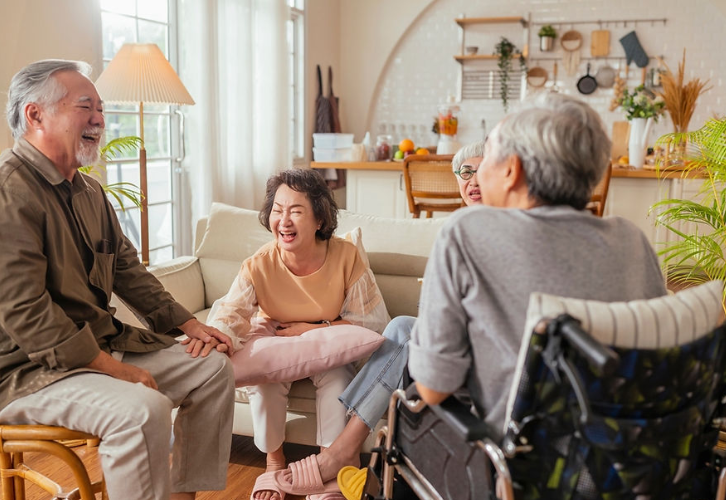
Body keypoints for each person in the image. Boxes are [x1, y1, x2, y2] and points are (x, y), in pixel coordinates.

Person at [274, 94, 667, 496]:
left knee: (411, 365)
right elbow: (656, 358)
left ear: (511, 171)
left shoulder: (466, 234)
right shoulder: (632, 241)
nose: (474, 178)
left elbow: (432, 386)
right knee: (407, 332)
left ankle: (355, 467)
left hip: (503, 461)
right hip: (619, 460)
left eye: (489, 161)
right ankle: (350, 465)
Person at [0, 59, 235, 500]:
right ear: (35, 115)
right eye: (85, 106)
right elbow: (28, 316)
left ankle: (181, 494)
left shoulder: (87, 190)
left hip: (92, 349)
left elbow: (126, 269)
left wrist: (188, 324)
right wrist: (115, 369)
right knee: (140, 411)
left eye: (100, 107)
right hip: (18, 375)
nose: (100, 118)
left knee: (211, 367)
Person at [272, 142, 487, 493]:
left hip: (483, 346)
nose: (473, 180)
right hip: (453, 338)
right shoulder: (457, 230)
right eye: (465, 172)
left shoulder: (504, 230)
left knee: (402, 330)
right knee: (402, 328)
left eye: (482, 171)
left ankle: (342, 451)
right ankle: (352, 457)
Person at [203, 169, 389, 500]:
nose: (283, 221)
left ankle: (327, 470)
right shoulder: (258, 264)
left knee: (337, 377)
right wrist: (215, 340)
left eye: (296, 211)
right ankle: (274, 464)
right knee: (265, 378)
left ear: (319, 219)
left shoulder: (346, 256)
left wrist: (314, 329)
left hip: (329, 343)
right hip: (277, 339)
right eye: (277, 210)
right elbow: (230, 314)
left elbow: (373, 322)